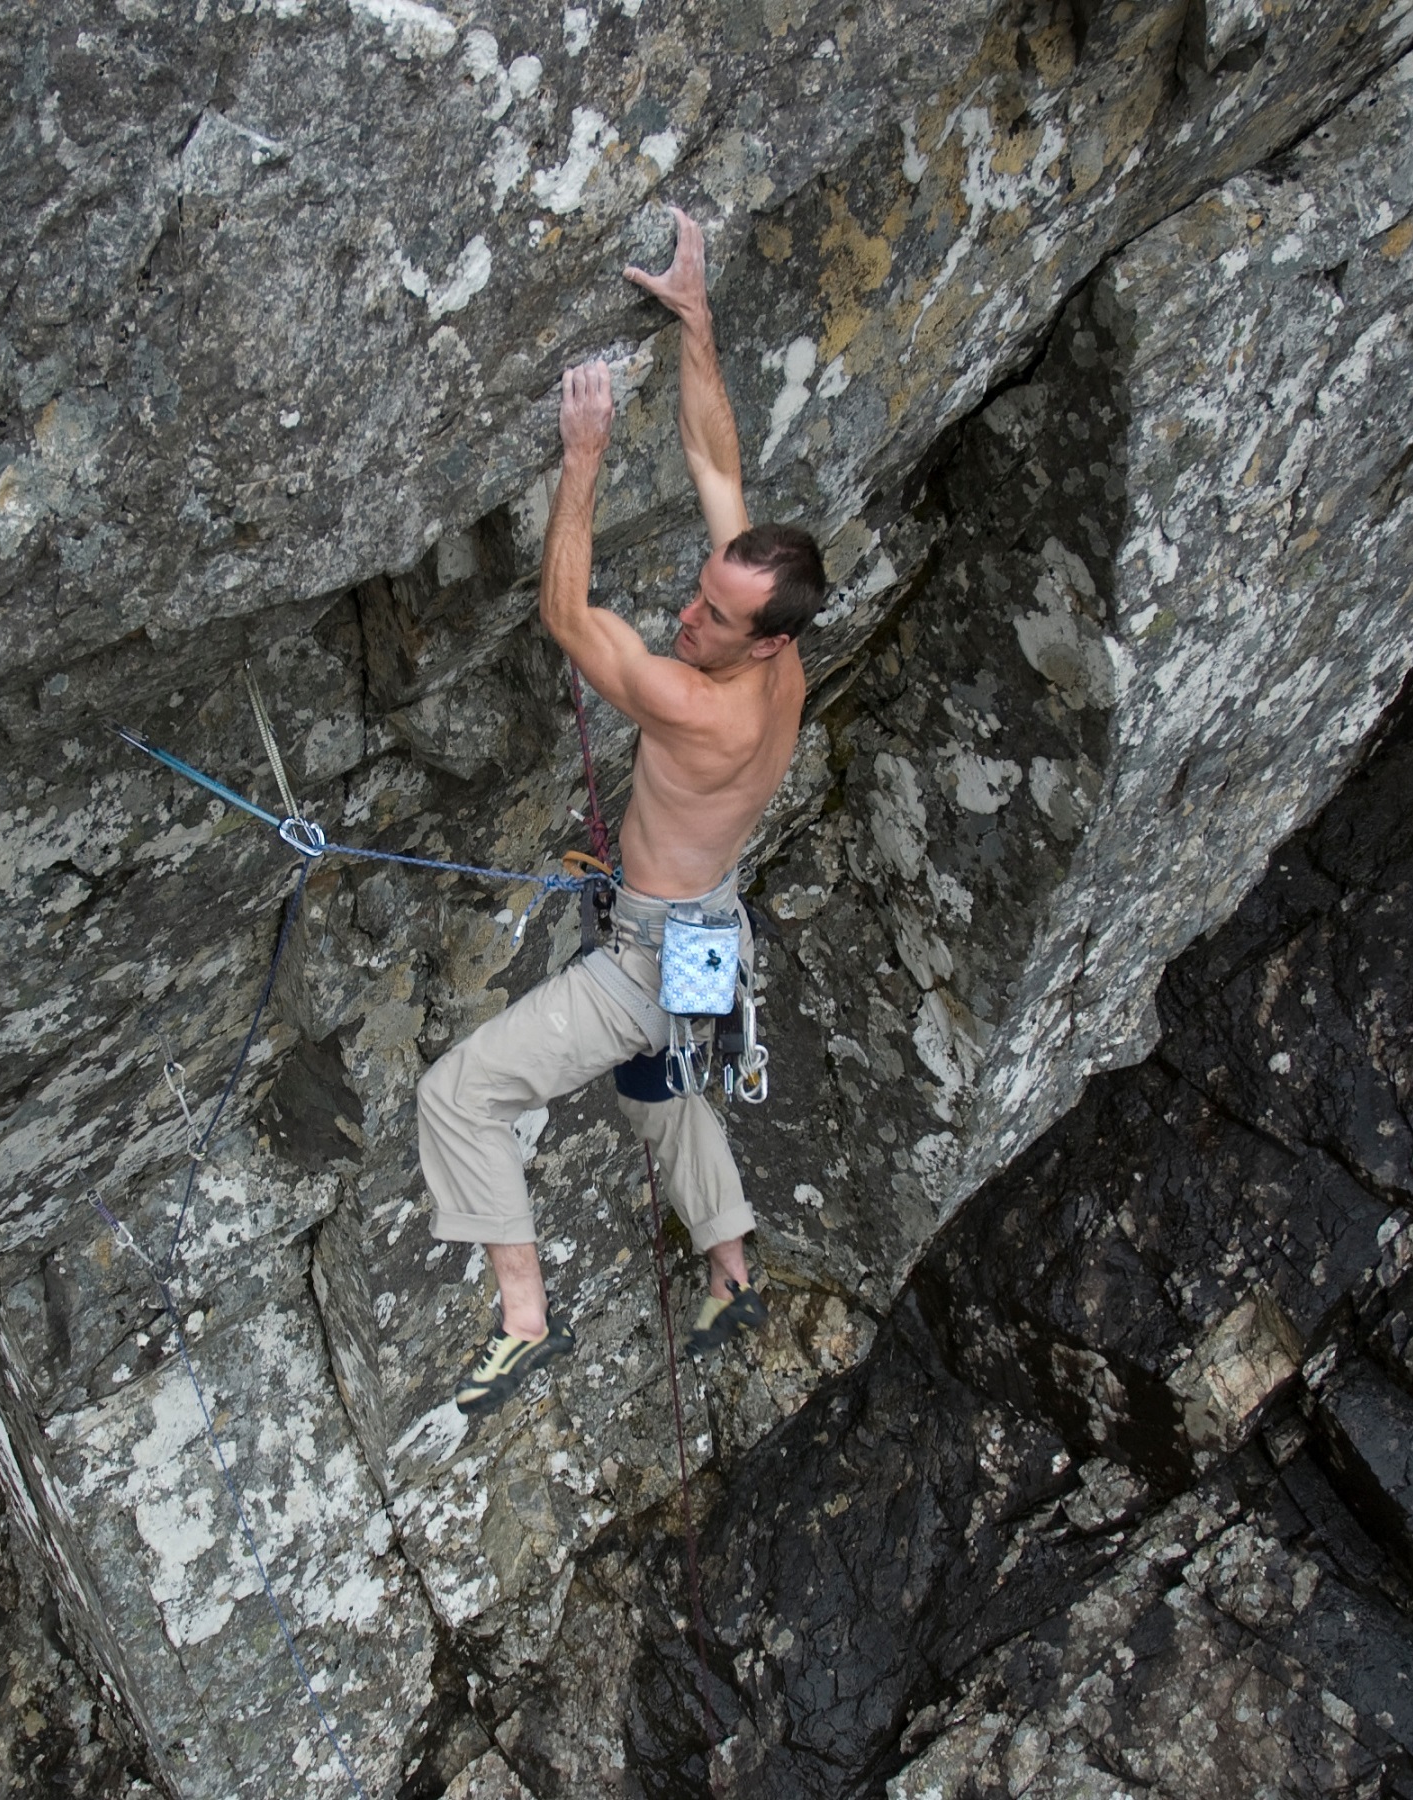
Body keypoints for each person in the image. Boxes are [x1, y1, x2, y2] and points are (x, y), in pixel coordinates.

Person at [419, 205, 828, 1416]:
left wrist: (583, 461)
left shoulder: (700, 704)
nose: (688, 617)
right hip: (711, 929)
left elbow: (567, 619)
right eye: (700, 597)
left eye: (711, 618)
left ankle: (523, 1321)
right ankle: (730, 1266)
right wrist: (696, 319)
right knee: (660, 1090)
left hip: (654, 957)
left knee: (458, 1092)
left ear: (761, 646)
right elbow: (717, 465)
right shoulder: (778, 651)